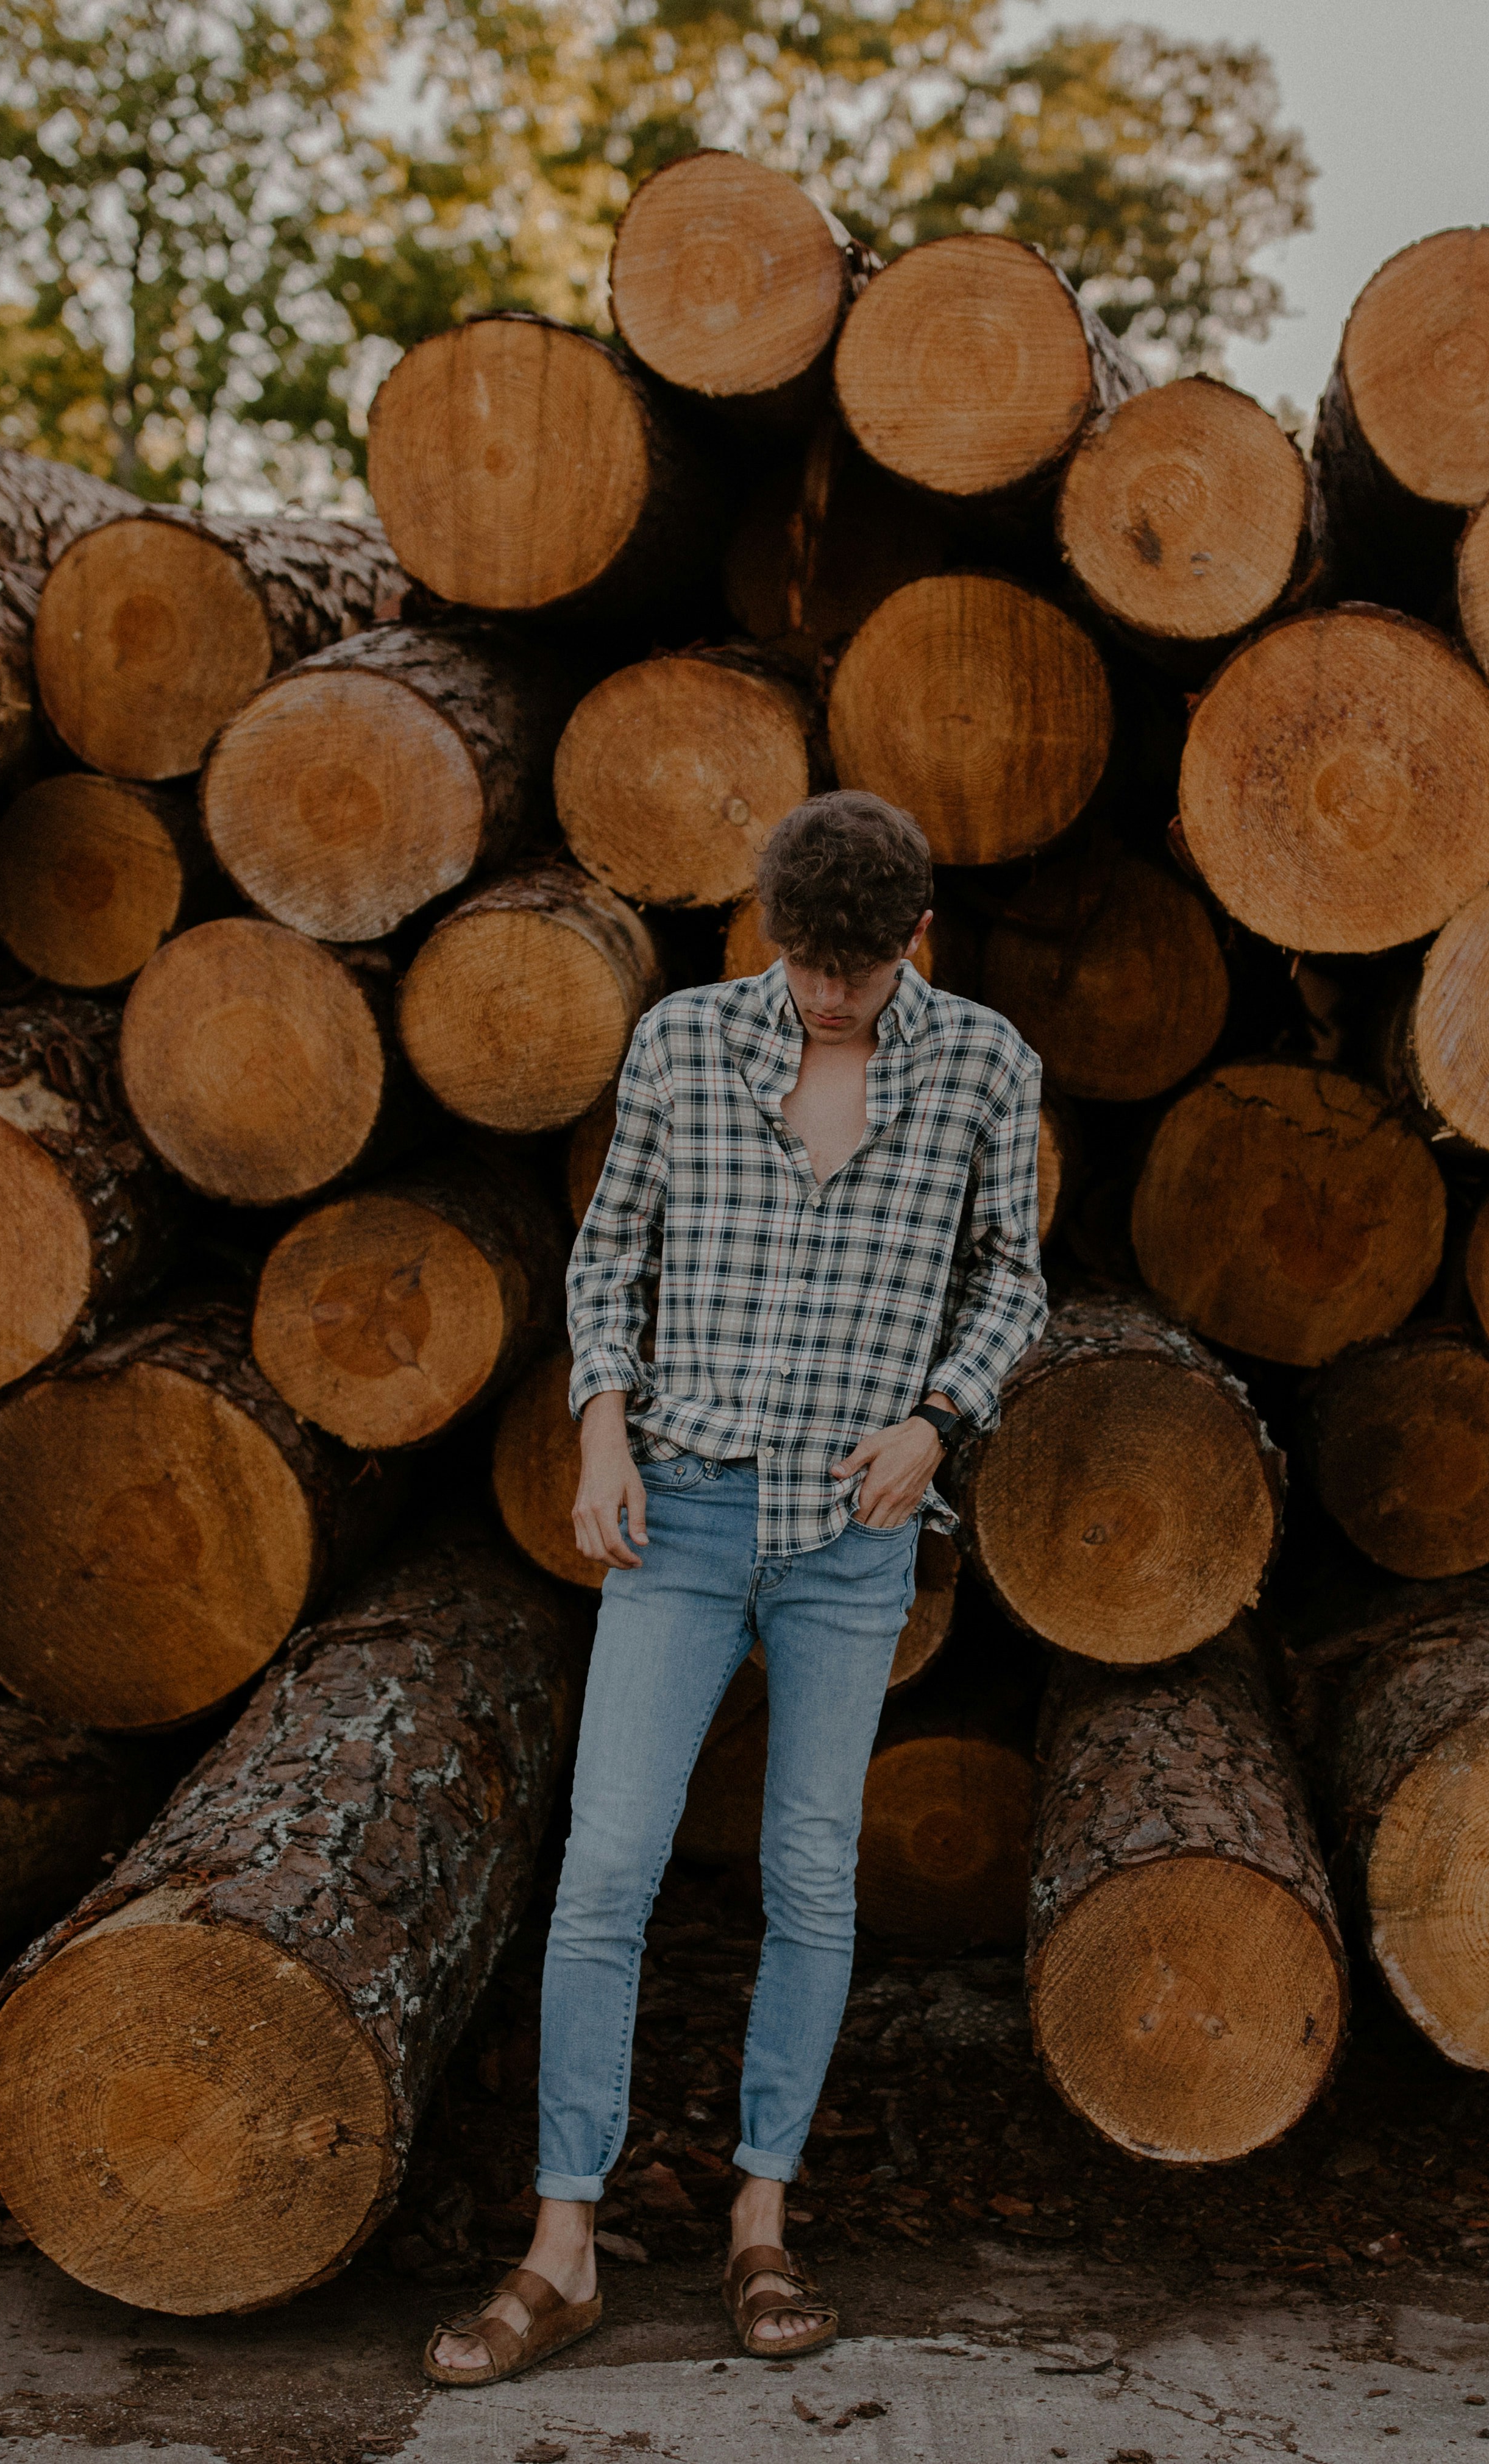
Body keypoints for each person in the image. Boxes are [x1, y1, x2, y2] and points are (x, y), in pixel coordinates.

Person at [422, 790, 1047, 2387]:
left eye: (857, 969)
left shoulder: (984, 1063)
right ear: (769, 930)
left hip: (851, 1532)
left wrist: (939, 1418)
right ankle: (561, 2247)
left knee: (812, 1876)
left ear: (914, 938)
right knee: (606, 1869)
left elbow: (1009, 1279)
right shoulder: (685, 1043)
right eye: (804, 961)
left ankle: (761, 2222)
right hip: (683, 1514)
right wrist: (600, 1430)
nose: (825, 994)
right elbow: (609, 1254)